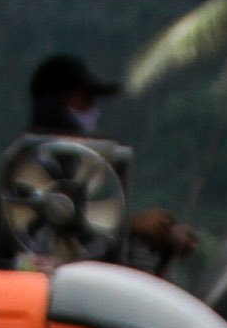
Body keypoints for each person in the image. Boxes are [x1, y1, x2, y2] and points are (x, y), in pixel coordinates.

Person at [19, 53, 199, 267]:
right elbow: (50, 244)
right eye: (85, 101)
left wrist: (157, 236)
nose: (93, 111)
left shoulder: (70, 169)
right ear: (55, 102)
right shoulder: (34, 167)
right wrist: (132, 227)